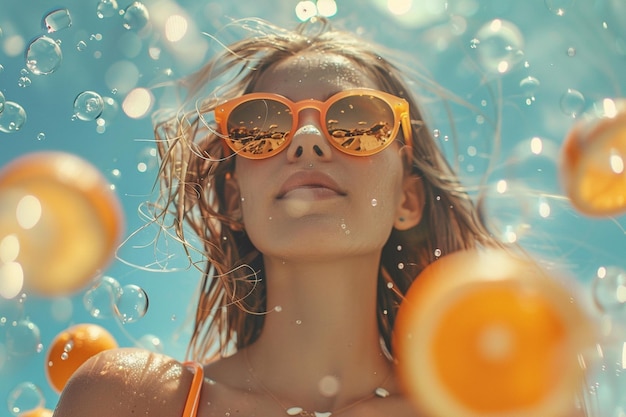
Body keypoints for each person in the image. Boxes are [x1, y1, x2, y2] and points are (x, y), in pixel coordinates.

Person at [53, 16, 500, 417]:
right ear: (235, 200)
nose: (306, 139)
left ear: (408, 199)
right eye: (261, 127)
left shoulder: (492, 408)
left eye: (356, 120)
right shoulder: (131, 400)